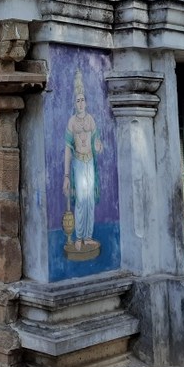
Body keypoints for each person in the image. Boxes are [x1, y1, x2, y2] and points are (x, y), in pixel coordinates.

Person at [63, 68, 102, 254]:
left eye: (82, 100)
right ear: (75, 103)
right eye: (77, 100)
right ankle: (78, 237)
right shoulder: (71, 122)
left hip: (90, 162)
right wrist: (66, 175)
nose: (80, 103)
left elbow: (97, 143)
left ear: (86, 102)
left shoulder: (91, 120)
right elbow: (67, 149)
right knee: (80, 199)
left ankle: (88, 236)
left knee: (90, 200)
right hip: (78, 162)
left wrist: (99, 146)